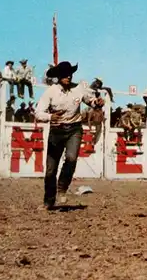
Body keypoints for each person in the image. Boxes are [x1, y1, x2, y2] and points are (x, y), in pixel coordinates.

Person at [35, 61, 104, 210]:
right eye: (65, 74)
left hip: (74, 128)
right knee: (50, 169)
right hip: (56, 130)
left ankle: (62, 189)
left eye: (70, 74)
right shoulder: (50, 92)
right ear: (58, 77)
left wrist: (97, 103)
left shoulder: (78, 89)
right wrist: (50, 117)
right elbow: (38, 113)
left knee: (71, 158)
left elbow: (90, 101)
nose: (68, 76)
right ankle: (48, 201)